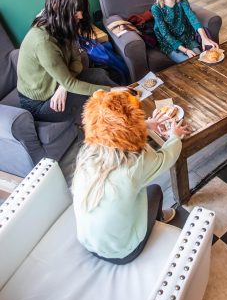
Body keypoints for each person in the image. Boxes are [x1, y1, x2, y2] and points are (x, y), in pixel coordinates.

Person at [72, 89, 186, 264]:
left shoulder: (87, 153)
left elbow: (116, 133)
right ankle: (157, 221)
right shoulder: (135, 162)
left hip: (88, 242)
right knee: (154, 190)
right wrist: (174, 136)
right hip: (123, 251)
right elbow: (167, 158)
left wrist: (145, 125)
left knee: (133, 192)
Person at [17, 0, 118, 131]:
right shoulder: (43, 41)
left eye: (81, 10)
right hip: (41, 103)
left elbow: (76, 59)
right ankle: (114, 128)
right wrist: (110, 91)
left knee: (100, 74)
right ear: (60, 9)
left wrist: (63, 86)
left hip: (57, 83)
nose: (81, 16)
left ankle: (129, 100)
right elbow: (70, 82)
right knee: (97, 97)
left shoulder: (61, 23)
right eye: (76, 11)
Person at [151, 0, 218, 63]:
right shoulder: (156, 8)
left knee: (200, 59)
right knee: (188, 63)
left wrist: (204, 38)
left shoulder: (182, 0)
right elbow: (166, 35)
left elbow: (192, 18)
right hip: (170, 44)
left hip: (186, 37)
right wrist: (186, 50)